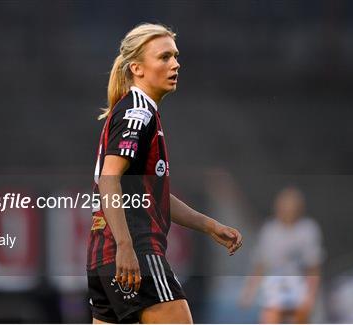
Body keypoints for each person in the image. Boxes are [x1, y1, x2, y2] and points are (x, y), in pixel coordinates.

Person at [87, 23, 243, 324]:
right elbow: (109, 179)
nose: (175, 63)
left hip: (101, 258)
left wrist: (210, 226)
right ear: (137, 68)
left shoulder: (134, 110)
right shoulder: (138, 112)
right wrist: (126, 246)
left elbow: (152, 196)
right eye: (164, 57)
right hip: (134, 252)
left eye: (175, 56)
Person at [239, 186, 323, 323]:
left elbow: (313, 267)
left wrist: (311, 295)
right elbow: (260, 264)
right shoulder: (270, 230)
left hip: (299, 283)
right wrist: (249, 291)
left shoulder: (308, 230)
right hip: (275, 284)